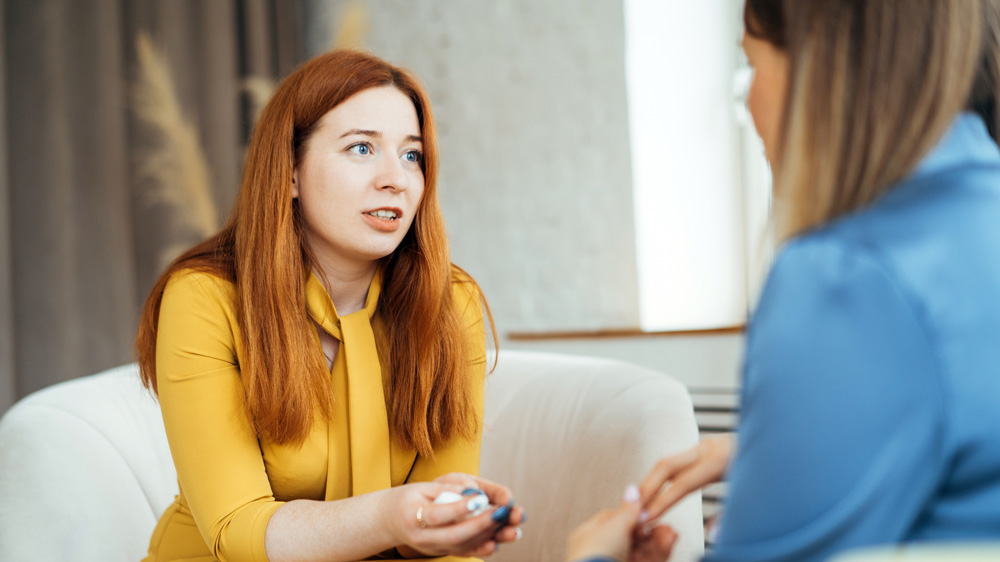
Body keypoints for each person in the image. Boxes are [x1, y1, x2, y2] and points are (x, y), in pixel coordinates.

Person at [568, 0, 1000, 560]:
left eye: (751, 65)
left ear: (821, 62)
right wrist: (774, 454)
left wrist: (590, 557)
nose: (748, 101)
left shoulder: (848, 278)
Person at [136, 50, 523, 562]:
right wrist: (392, 515)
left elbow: (429, 531)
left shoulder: (451, 303)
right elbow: (239, 531)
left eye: (412, 155)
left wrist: (454, 522)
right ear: (290, 173)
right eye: (362, 148)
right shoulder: (205, 298)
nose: (396, 179)